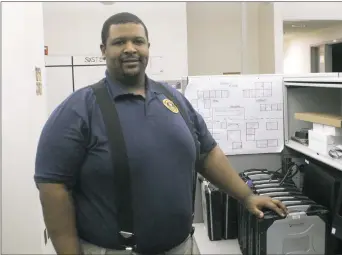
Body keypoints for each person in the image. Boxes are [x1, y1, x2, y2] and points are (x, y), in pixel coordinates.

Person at [34, 12, 288, 255]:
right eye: (119, 42)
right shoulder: (79, 109)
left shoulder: (173, 98)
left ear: (148, 47)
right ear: (103, 50)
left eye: (138, 41)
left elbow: (207, 153)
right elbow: (53, 186)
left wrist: (246, 195)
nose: (130, 48)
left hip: (182, 246)